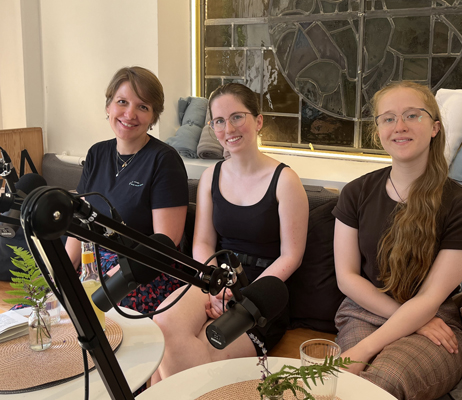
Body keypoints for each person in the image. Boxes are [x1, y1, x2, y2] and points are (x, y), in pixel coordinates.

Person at [332, 81, 462, 399]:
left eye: (412, 115)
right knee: (349, 388)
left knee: (377, 384)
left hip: (437, 322)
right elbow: (347, 278)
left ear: (434, 127)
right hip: (364, 308)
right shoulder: (355, 193)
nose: (399, 126)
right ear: (378, 131)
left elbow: (429, 298)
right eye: (388, 118)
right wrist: (410, 321)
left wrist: (360, 352)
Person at [151, 83, 309, 384]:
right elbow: (203, 242)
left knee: (192, 357)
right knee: (162, 328)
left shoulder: (286, 180)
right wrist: (215, 285)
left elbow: (292, 256)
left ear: (258, 121)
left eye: (237, 117)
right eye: (219, 121)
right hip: (215, 279)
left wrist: (243, 296)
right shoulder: (211, 176)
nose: (228, 128)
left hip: (263, 292)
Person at [66, 66, 189, 313]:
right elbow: (78, 228)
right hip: (93, 265)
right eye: (122, 102)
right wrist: (62, 273)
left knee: (89, 314)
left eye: (143, 107)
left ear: (153, 117)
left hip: (142, 270)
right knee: (37, 305)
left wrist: (110, 279)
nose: (129, 113)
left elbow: (165, 243)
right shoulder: (96, 153)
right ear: (109, 106)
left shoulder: (164, 160)